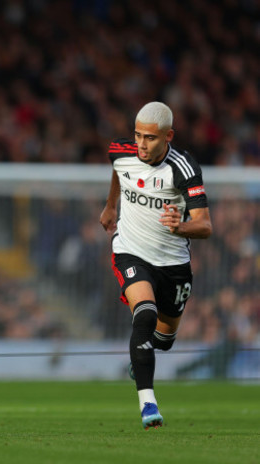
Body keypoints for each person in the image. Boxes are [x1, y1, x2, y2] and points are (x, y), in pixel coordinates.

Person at [99, 101, 212, 429]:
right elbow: (119, 171)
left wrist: (181, 226)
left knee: (164, 339)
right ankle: (148, 403)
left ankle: (142, 356)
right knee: (144, 313)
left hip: (174, 264)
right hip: (130, 251)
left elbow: (205, 226)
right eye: (138, 136)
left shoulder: (184, 168)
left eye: (149, 138)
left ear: (168, 136)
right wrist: (110, 206)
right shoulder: (121, 152)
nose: (141, 145)